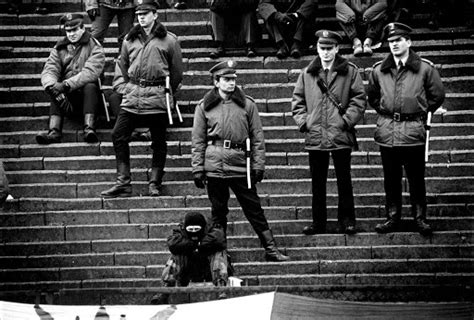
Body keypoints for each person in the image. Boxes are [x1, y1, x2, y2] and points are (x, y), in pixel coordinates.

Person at [191, 60, 290, 262]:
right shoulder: (204, 107)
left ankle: (271, 249)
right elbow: (198, 140)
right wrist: (197, 168)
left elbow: (258, 138)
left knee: (254, 209)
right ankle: (220, 255)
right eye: (226, 80)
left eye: (233, 79)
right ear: (216, 82)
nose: (231, 83)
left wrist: (258, 165)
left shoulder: (247, 104)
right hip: (215, 166)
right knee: (218, 213)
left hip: (240, 166)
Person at [367, 23, 445, 236]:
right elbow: (372, 96)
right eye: (391, 42)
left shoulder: (425, 69)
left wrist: (419, 111)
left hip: (413, 131)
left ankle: (420, 218)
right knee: (390, 178)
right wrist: (387, 111)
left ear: (409, 42)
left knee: (416, 178)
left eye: (398, 41)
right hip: (388, 131)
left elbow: (437, 95)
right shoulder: (379, 70)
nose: (394, 45)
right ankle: (392, 217)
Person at [100, 0, 183, 198]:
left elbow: (177, 72)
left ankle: (155, 183)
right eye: (139, 15)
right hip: (133, 95)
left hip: (157, 97)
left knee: (159, 141)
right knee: (118, 134)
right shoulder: (129, 40)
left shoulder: (169, 40)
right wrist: (130, 86)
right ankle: (123, 182)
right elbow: (124, 65)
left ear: (155, 15)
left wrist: (165, 91)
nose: (141, 18)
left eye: (146, 14)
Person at [292, 30, 366, 235]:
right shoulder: (307, 73)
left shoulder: (349, 71)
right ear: (317, 48)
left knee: (344, 179)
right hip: (316, 134)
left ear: (336, 49)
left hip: (339, 133)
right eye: (321, 48)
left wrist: (345, 121)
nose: (325, 53)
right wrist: (305, 122)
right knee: (318, 182)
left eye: (329, 48)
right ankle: (319, 222)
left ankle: (348, 220)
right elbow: (297, 102)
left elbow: (358, 99)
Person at [37, 13, 105, 145]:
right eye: (68, 31)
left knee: (90, 85)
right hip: (67, 99)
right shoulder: (60, 47)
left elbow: (90, 72)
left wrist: (66, 84)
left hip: (90, 99)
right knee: (54, 88)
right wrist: (51, 85)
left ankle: (89, 128)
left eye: (75, 30)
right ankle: (54, 131)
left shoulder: (95, 46)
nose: (71, 34)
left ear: (83, 28)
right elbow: (50, 68)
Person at [150, 212, 229, 304]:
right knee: (175, 256)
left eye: (197, 229)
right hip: (187, 269)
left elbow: (219, 240)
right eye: (190, 229)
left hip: (210, 268)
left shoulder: (213, 228)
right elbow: (172, 244)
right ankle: (164, 290)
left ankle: (222, 288)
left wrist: (196, 245)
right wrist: (196, 244)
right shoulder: (180, 231)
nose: (194, 232)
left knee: (219, 253)